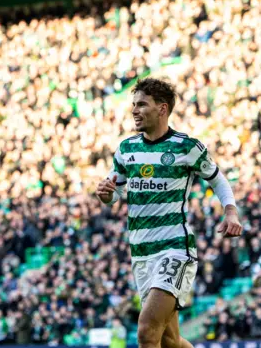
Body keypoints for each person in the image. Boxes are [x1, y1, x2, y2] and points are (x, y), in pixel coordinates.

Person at [95, 78, 243, 348]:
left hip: (174, 249)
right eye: (133, 105)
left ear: (162, 109)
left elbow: (218, 180)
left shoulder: (187, 147)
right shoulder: (127, 149)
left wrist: (230, 211)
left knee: (146, 331)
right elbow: (112, 192)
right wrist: (106, 195)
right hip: (141, 254)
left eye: (142, 104)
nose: (135, 110)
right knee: (170, 341)